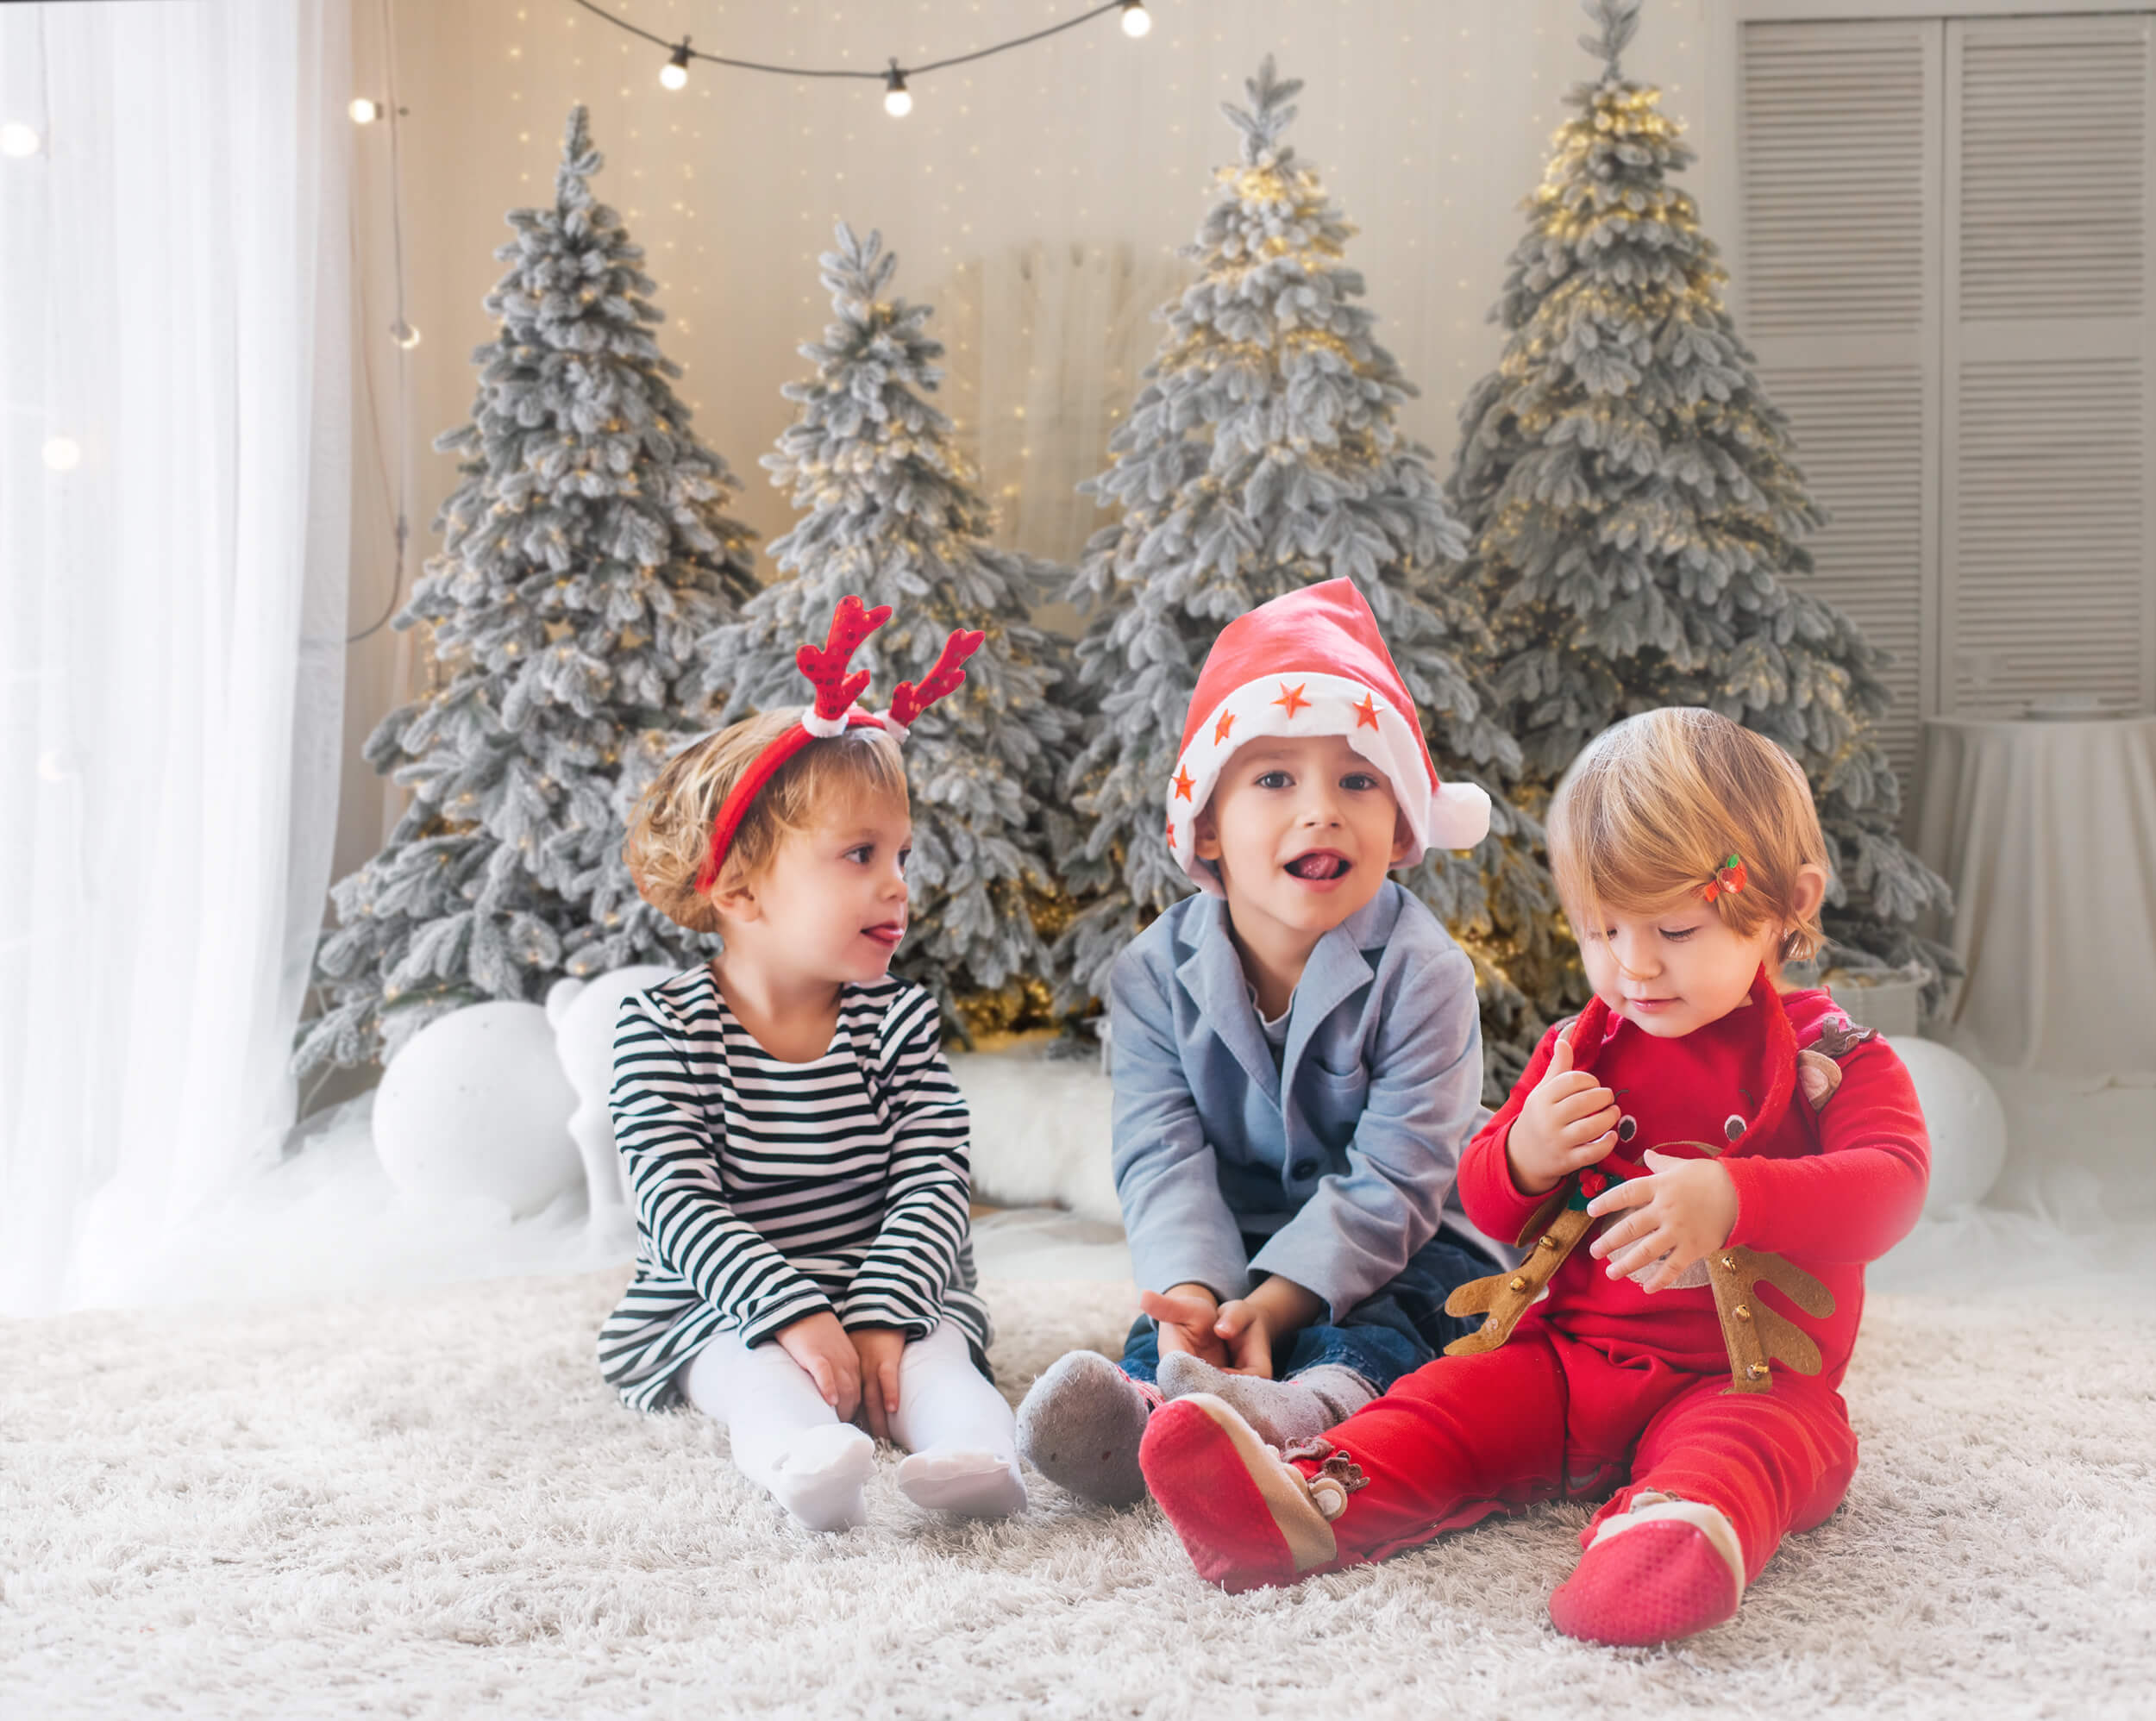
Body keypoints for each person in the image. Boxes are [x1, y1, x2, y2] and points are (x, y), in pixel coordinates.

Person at [1137, 705, 1931, 1645]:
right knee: (1446, 1399)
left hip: (1742, 1374)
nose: (1633, 967)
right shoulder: (1579, 1047)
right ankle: (1309, 1498)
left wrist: (1737, 1198)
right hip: (1568, 1359)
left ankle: (1667, 1534)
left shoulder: (1829, 1054)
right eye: (1602, 931)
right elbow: (1481, 1199)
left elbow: (1892, 1182)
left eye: (1674, 928)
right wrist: (1525, 1153)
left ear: (1789, 902)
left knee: (1749, 1447)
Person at [1017, 578, 1507, 1505]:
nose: (1321, 809)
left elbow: (1400, 1176)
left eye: (1358, 780)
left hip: (1410, 1233)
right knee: (1170, 1322)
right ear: (1205, 825)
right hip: (1234, 1236)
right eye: (1275, 777)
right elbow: (1160, 1157)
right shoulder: (1151, 975)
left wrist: (1278, 1304)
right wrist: (1198, 1299)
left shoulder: (1425, 971)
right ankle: (1141, 1416)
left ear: (1401, 823)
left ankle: (1308, 1412)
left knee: (1415, 1310)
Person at [595, 596, 1025, 1531]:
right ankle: (801, 1459)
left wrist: (884, 1307)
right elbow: (675, 1200)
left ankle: (978, 1456)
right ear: (740, 889)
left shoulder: (897, 1020)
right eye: (859, 854)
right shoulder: (660, 1029)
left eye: (901, 854)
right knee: (748, 1376)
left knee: (936, 1363)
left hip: (891, 1281)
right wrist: (786, 1310)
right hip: (724, 1299)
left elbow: (932, 1176)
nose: (897, 884)